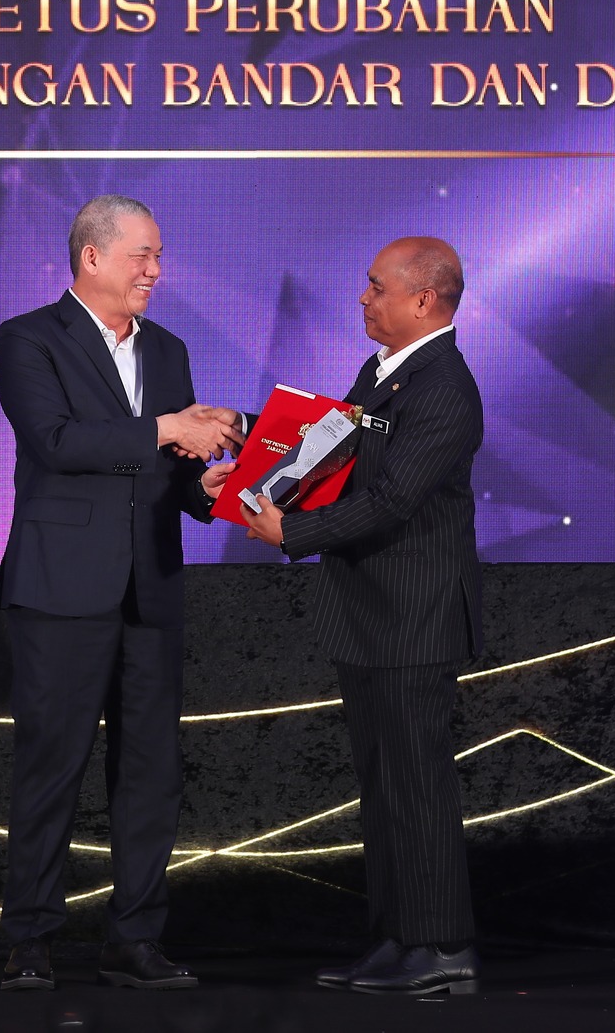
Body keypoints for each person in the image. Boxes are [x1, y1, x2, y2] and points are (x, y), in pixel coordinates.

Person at [0, 195, 244, 993]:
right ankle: (31, 939)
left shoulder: (167, 348)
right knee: (52, 766)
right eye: (143, 254)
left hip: (151, 587)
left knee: (150, 772)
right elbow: (56, 441)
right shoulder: (28, 337)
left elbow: (170, 474)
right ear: (92, 256)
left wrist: (205, 484)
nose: (156, 270)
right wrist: (167, 429)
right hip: (61, 586)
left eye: (159, 255)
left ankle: (134, 937)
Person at [237, 236, 483, 998]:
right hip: (371, 614)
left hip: (414, 618)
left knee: (418, 787)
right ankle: (397, 937)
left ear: (423, 300)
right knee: (383, 789)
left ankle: (441, 948)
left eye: (377, 287)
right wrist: (244, 438)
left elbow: (390, 499)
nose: (363, 298)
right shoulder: (387, 371)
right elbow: (330, 448)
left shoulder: (444, 387)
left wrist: (292, 531)